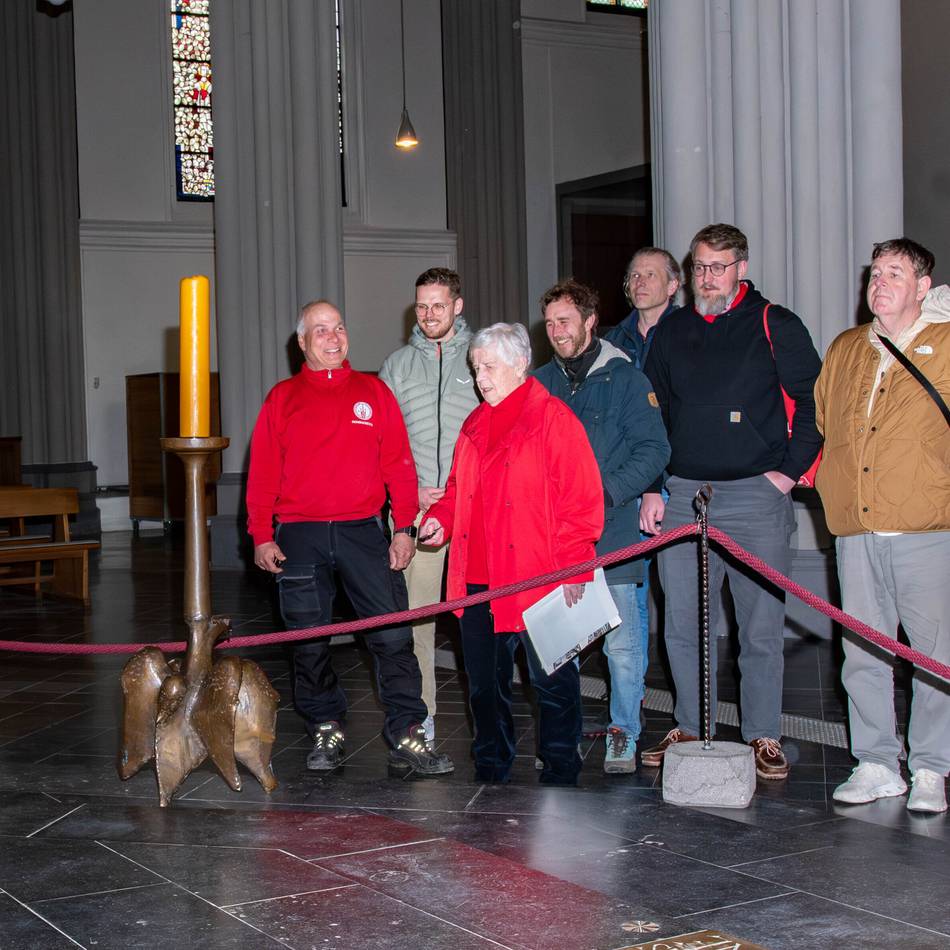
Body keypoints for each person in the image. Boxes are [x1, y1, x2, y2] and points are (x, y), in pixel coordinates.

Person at [640, 223, 823, 780]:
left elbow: (817, 406)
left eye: (718, 267)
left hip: (754, 498)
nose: (706, 278)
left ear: (742, 268)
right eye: (698, 267)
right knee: (681, 622)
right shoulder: (671, 333)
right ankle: (692, 724)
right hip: (681, 496)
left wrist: (786, 477)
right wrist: (653, 483)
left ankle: (763, 732)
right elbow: (653, 413)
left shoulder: (775, 324)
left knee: (760, 624)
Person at [246, 300, 454, 777]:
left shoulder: (374, 392)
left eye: (338, 327)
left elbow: (399, 466)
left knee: (393, 635)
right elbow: (261, 476)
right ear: (302, 343)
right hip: (298, 536)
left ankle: (407, 733)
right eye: (320, 330)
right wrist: (261, 535)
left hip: (363, 533)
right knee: (308, 641)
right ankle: (326, 727)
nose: (333, 337)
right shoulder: (282, 398)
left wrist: (402, 529)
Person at [421, 323, 604, 786]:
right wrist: (442, 515)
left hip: (536, 578)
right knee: (484, 686)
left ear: (520, 364)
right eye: (476, 367)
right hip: (477, 577)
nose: (481, 377)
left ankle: (561, 766)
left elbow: (580, 497)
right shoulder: (475, 423)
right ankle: (491, 764)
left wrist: (577, 565)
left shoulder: (553, 418)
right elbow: (459, 488)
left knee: (552, 684)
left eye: (489, 366)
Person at [816, 238, 950, 813]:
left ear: (923, 286)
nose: (879, 283)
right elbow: (826, 416)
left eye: (895, 273)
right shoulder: (847, 346)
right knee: (864, 653)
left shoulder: (946, 344)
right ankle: (875, 762)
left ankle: (930, 768)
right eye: (874, 274)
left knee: (933, 655)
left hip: (925, 524)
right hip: (856, 524)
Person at [535, 279, 670, 773]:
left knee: (623, 645)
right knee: (561, 645)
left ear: (591, 321)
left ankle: (623, 732)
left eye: (565, 320)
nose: (556, 331)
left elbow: (655, 450)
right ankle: (562, 737)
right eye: (549, 323)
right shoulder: (540, 383)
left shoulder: (627, 379)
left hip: (612, 531)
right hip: (554, 538)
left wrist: (603, 492)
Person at [379, 268, 479, 749]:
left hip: (474, 513)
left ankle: (490, 723)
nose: (429, 314)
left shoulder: (484, 356)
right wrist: (411, 492)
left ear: (457, 305)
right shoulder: (397, 366)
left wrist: (464, 490)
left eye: (438, 305)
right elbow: (384, 442)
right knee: (416, 621)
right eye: (421, 306)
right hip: (419, 513)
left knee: (480, 621)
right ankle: (423, 719)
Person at [603, 248, 682, 711]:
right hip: (626, 486)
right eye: (633, 275)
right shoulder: (612, 342)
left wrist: (659, 481)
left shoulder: (692, 334)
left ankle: (689, 716)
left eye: (650, 274)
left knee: (681, 603)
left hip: (677, 482)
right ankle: (626, 720)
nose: (639, 282)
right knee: (627, 605)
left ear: (673, 285)